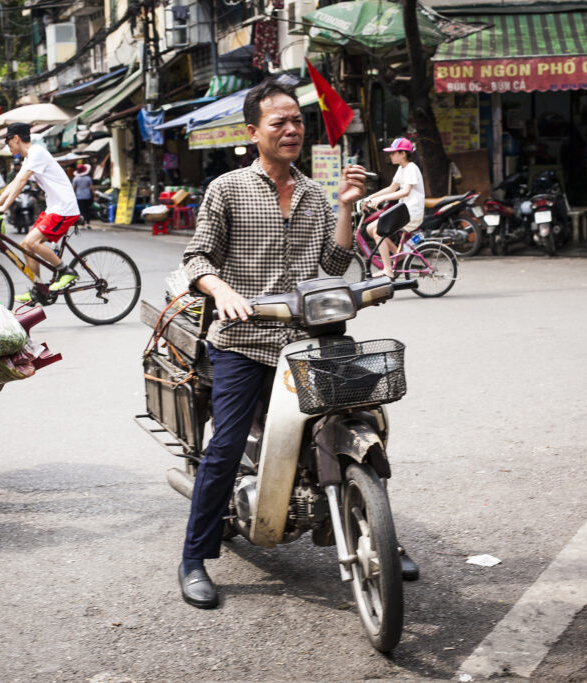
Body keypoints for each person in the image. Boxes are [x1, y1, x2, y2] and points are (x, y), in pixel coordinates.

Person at [177, 79, 418, 610]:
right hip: (244, 338)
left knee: (362, 419)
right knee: (224, 447)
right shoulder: (227, 189)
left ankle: (378, 530)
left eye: (296, 122)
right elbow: (197, 260)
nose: (291, 130)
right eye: (278, 122)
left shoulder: (314, 194)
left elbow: (333, 268)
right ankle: (194, 557)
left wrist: (347, 208)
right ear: (253, 132)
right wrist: (222, 291)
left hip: (308, 339)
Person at [0, 122, 81, 300]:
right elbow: (14, 183)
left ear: (16, 138)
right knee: (25, 246)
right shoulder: (29, 158)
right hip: (54, 209)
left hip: (64, 209)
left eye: (7, 141)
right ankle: (39, 289)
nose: (8, 145)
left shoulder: (37, 153)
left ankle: (66, 271)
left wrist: (3, 208)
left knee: (32, 243)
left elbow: (21, 183)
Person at [362, 137, 425, 278]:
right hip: (404, 211)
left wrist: (381, 198)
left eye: (393, 152)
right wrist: (369, 198)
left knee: (379, 232)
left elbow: (405, 191)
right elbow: (392, 188)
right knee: (369, 228)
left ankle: (388, 270)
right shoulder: (401, 169)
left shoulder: (411, 168)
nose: (390, 155)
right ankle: (399, 254)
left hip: (411, 212)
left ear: (403, 154)